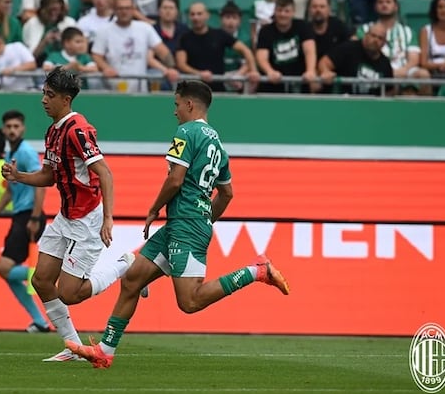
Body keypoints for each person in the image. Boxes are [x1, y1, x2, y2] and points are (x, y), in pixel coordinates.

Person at [65, 80, 290, 369]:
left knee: (190, 302)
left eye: (176, 104)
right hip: (185, 223)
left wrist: (155, 208)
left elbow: (175, 178)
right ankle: (105, 351)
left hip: (185, 224)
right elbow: (227, 193)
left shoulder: (187, 132)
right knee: (132, 280)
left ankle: (257, 271)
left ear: (189, 104)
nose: (174, 112)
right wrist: (205, 218)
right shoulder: (218, 145)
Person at [1, 66, 130, 362]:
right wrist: (19, 176)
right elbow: (49, 177)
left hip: (87, 219)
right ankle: (73, 347)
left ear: (66, 99)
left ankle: (125, 265)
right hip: (65, 216)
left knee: (71, 292)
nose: (43, 100)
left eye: (50, 95)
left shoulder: (78, 130)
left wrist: (108, 218)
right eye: (43, 93)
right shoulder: (53, 131)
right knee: (42, 280)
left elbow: (105, 174)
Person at [0, 110, 50, 333]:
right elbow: (11, 190)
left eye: (16, 126)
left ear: (23, 128)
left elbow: (41, 183)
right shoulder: (11, 153)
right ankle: (39, 321)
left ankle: (49, 274)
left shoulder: (27, 153)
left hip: (29, 216)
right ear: (4, 130)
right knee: (6, 272)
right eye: (8, 126)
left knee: (4, 268)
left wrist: (35, 217)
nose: (12, 130)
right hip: (21, 216)